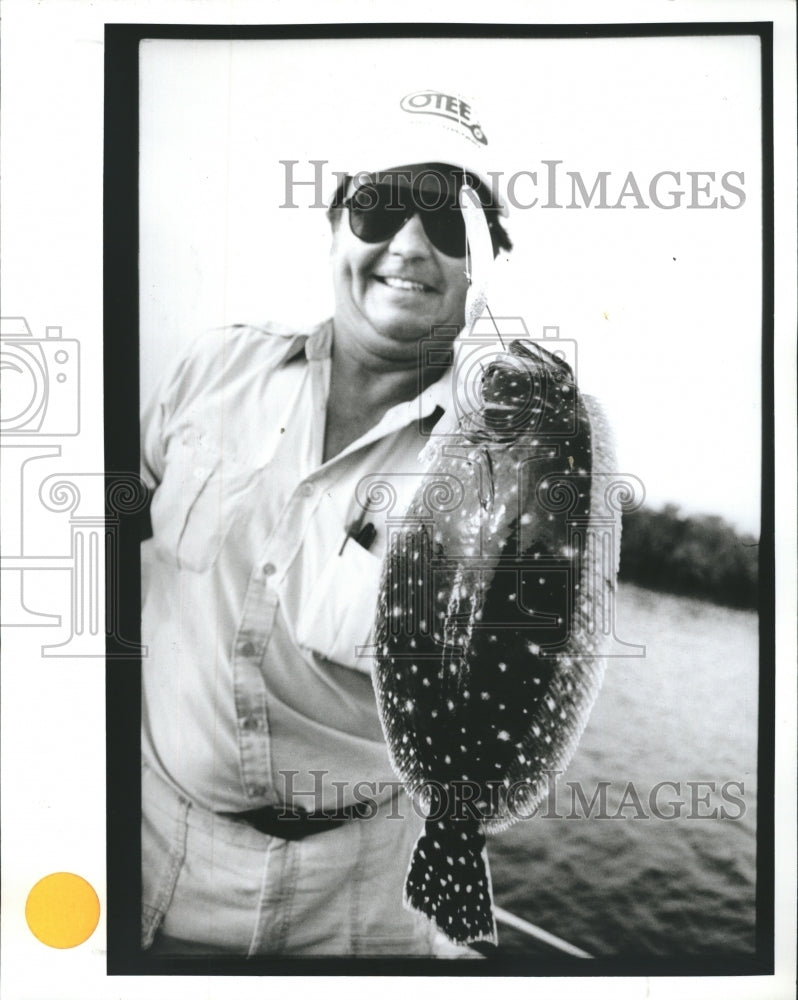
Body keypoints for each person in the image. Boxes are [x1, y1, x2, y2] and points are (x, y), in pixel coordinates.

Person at [140, 87, 512, 957]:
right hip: (152, 850)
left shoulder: (506, 464)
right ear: (337, 223)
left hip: (369, 906)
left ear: (489, 261)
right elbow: (112, 550)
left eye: (449, 221)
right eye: (380, 205)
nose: (410, 244)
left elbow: (524, 678)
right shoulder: (209, 367)